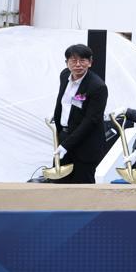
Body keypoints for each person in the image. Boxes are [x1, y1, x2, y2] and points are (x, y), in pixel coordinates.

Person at [50, 43, 108, 184]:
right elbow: (65, 102)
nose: (78, 65)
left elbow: (91, 121)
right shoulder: (64, 75)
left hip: (86, 143)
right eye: (73, 60)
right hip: (65, 136)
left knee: (82, 186)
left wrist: (66, 145)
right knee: (58, 182)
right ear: (67, 62)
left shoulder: (97, 86)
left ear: (90, 62)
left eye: (82, 60)